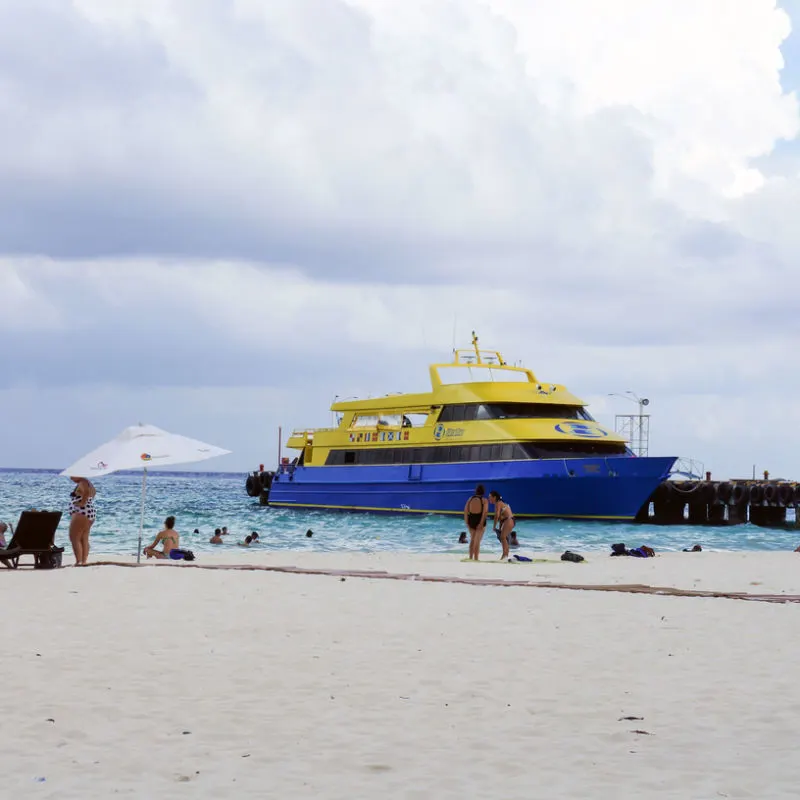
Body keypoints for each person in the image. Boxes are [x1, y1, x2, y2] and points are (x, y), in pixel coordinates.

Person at [68, 476, 96, 566]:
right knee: (84, 538)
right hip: (89, 513)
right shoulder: (88, 483)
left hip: (81, 512)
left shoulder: (83, 482)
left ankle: (78, 561)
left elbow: (87, 493)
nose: (71, 478)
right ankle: (83, 561)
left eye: (72, 475)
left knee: (74, 537)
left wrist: (82, 503)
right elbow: (91, 494)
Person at [463, 484, 489, 560]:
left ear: (476, 491)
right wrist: (481, 523)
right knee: (477, 541)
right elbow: (485, 512)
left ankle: (470, 557)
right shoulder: (484, 500)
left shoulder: (470, 499)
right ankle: (476, 558)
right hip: (479, 520)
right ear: (483, 492)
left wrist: (467, 522)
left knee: (472, 540)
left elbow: (465, 511)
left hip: (471, 520)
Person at [489, 490, 514, 561]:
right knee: (504, 538)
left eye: (490, 497)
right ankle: (505, 555)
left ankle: (505, 555)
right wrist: (499, 528)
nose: (489, 499)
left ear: (495, 497)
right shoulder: (501, 503)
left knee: (503, 537)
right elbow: (501, 518)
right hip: (510, 520)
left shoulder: (498, 503)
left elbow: (496, 516)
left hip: (508, 520)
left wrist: (494, 526)